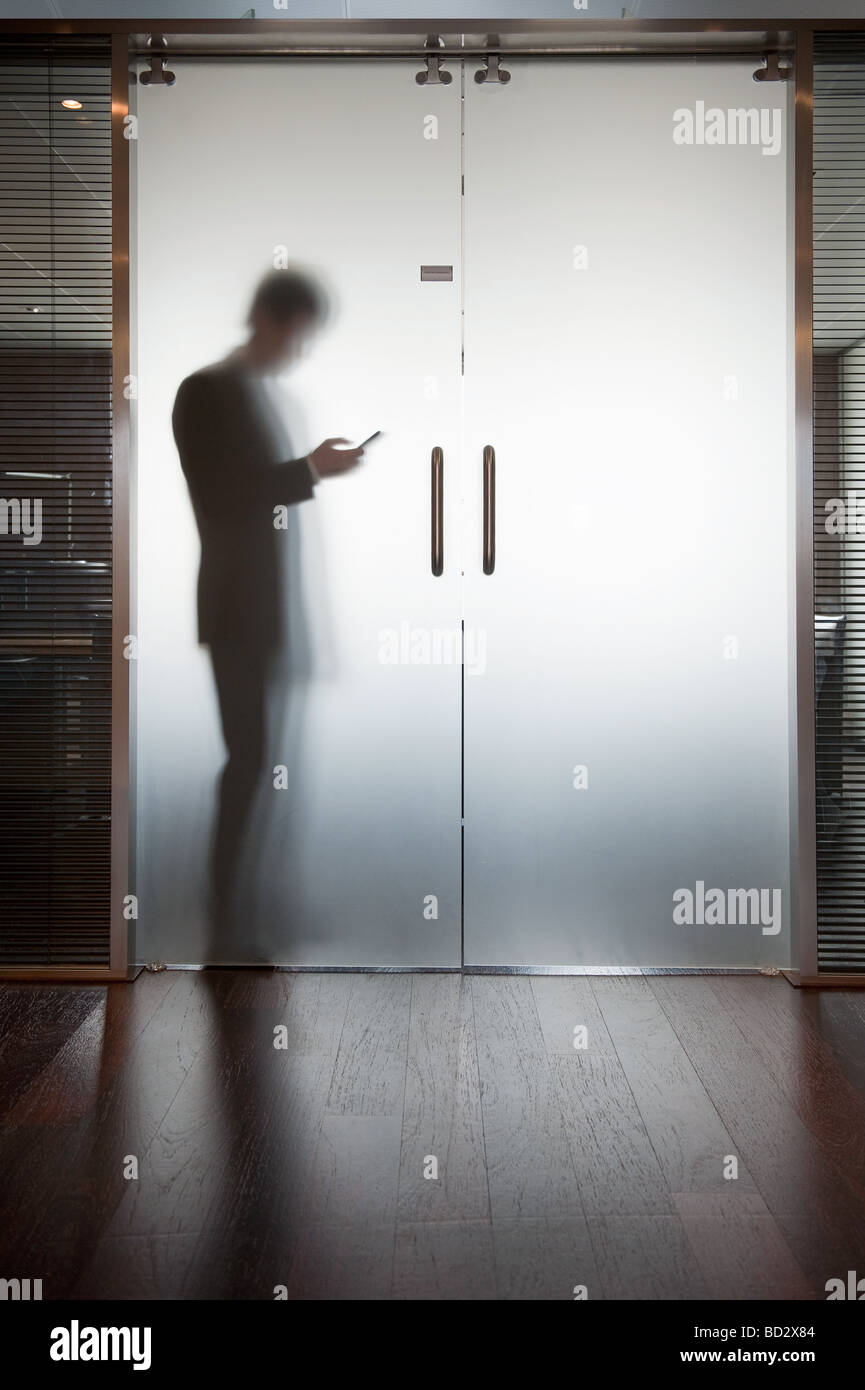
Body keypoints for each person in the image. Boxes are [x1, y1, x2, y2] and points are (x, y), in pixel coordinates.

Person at [171, 268, 363, 956]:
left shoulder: (254, 396)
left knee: (260, 762)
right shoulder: (205, 392)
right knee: (249, 762)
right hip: (234, 614)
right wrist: (309, 470)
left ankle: (245, 914)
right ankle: (225, 922)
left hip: (264, 613)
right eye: (299, 334)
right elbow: (223, 499)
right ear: (268, 320)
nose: (299, 350)